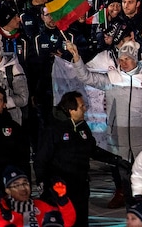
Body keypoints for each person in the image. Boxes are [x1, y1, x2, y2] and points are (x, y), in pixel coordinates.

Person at [66, 40, 142, 206]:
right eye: (120, 58)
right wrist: (76, 57)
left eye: (127, 59)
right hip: (118, 136)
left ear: (135, 60)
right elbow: (86, 77)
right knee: (125, 176)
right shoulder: (112, 78)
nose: (123, 62)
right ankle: (131, 211)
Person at [34, 91, 97, 227]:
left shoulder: (83, 127)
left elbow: (92, 149)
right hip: (61, 190)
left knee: (81, 221)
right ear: (71, 110)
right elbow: (41, 159)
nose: (85, 109)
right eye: (81, 106)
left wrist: (116, 160)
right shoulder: (54, 129)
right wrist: (42, 183)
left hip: (81, 187)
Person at [0, 166, 76, 227]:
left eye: (25, 183)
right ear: (8, 191)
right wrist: (5, 218)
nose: (23, 188)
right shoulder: (1, 210)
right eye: (16, 185)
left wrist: (63, 201)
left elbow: (67, 222)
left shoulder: (39, 205)